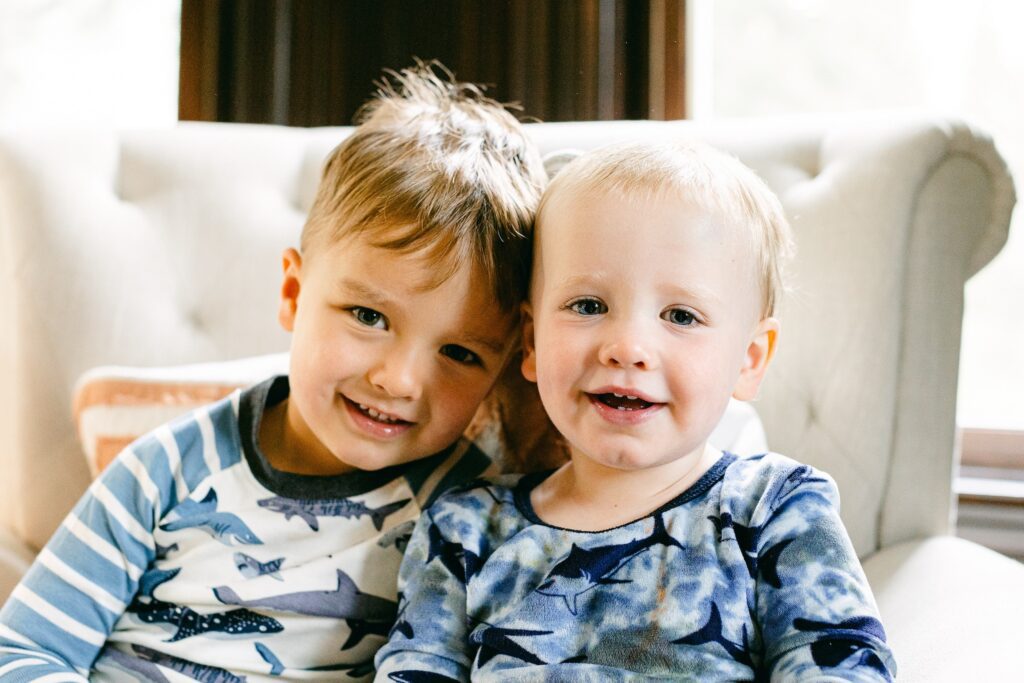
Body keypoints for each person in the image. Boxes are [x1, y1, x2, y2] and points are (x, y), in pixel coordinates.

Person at [0, 62, 545, 681]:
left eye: (460, 354)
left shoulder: (468, 510)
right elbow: (25, 651)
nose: (399, 381)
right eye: (368, 315)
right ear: (293, 292)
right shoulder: (167, 471)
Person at [374, 141, 897, 681]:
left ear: (749, 359)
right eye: (588, 306)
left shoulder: (775, 510)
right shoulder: (464, 529)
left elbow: (842, 664)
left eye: (681, 315)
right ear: (530, 342)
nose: (627, 346)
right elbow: (414, 668)